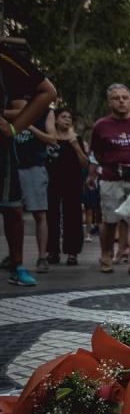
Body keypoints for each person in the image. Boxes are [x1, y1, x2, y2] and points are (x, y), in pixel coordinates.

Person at [0, 43, 57, 285]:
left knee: (13, 208)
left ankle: (17, 265)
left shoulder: (5, 57)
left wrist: (14, 127)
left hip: (4, 150)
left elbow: (47, 92)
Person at [87, 83, 130, 275]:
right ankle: (106, 255)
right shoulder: (101, 126)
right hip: (111, 179)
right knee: (109, 221)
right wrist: (107, 168)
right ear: (109, 102)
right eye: (116, 98)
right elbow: (96, 152)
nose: (121, 101)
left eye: (125, 97)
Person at [12, 102, 55, 273]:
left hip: (34, 166)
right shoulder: (6, 105)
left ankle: (42, 256)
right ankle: (14, 256)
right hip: (11, 166)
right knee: (12, 213)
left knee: (39, 212)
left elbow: (52, 139)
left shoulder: (44, 111)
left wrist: (29, 127)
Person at [46, 107, 87, 266]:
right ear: (56, 120)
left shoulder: (77, 138)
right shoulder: (50, 137)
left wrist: (76, 145)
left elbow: (84, 162)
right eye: (63, 116)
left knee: (73, 216)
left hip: (73, 182)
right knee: (51, 215)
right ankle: (52, 252)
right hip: (53, 181)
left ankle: (72, 253)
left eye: (69, 117)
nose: (67, 119)